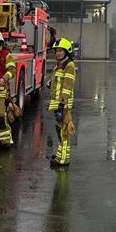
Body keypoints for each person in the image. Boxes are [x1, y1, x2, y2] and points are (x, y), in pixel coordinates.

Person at [48, 38, 76, 167]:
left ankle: (63, 159)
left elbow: (67, 85)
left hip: (63, 104)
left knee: (64, 131)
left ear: (67, 52)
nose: (58, 53)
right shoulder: (59, 65)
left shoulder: (69, 66)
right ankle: (60, 154)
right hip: (57, 102)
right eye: (56, 51)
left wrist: (62, 103)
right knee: (59, 129)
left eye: (60, 51)